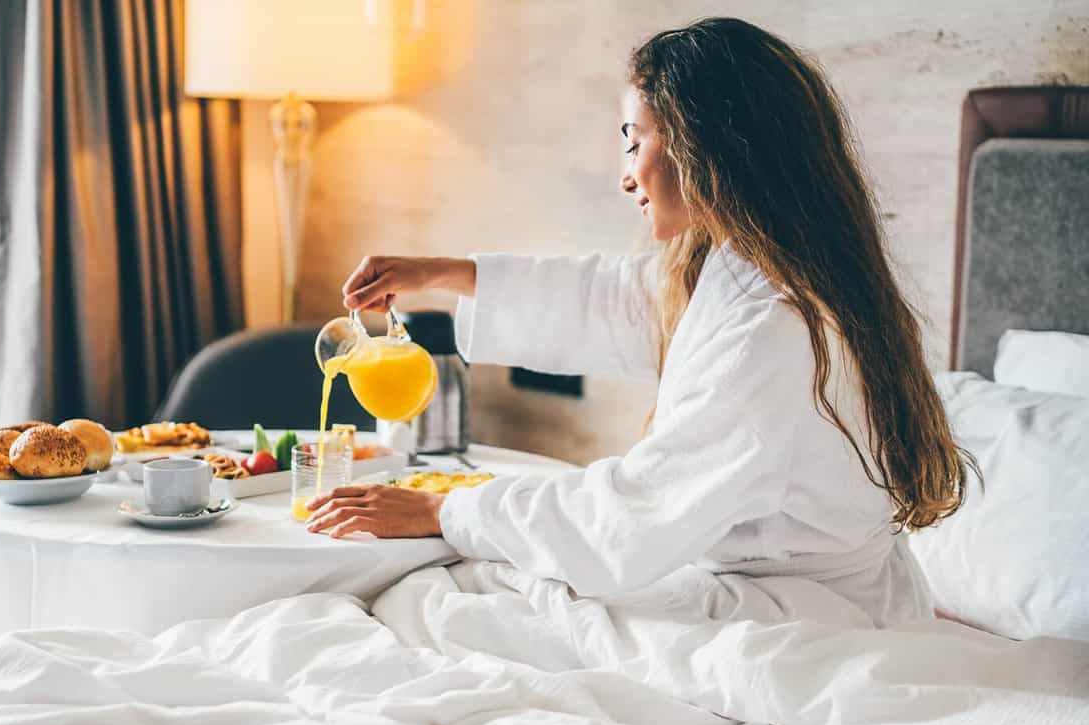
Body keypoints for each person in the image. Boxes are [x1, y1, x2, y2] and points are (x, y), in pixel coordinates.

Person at [304, 17, 975, 627]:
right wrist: (444, 275)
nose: (626, 177)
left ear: (706, 148)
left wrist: (447, 510)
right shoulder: (754, 266)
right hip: (791, 597)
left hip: (800, 623)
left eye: (635, 143)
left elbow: (633, 517)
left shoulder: (771, 328)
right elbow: (620, 299)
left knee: (446, 609)